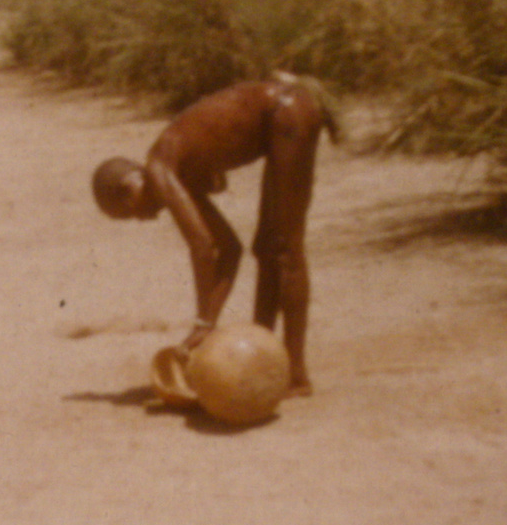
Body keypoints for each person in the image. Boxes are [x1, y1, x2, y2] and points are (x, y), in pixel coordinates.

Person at [91, 72, 339, 396]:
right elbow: (229, 249)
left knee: (286, 248)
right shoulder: (179, 174)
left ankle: (296, 375)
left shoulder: (159, 166)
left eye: (132, 212)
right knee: (266, 247)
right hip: (284, 116)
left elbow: (202, 247)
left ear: (128, 187)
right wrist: (207, 323)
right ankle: (260, 355)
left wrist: (203, 324)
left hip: (287, 112)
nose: (144, 218)